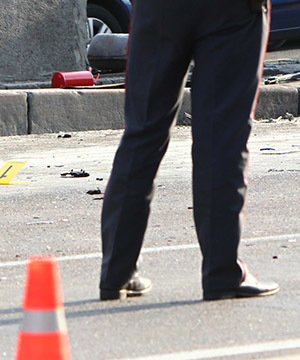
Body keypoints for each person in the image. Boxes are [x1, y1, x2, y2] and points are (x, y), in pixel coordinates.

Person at [99, 0, 279, 301]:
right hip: (232, 11)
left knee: (143, 132)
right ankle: (222, 274)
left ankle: (116, 273)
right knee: (223, 138)